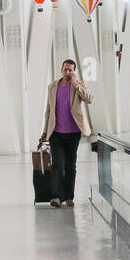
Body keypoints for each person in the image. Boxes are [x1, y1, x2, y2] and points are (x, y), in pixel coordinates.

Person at [41, 59, 91, 207]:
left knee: (70, 165)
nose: (67, 72)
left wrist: (77, 86)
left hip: (74, 133)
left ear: (74, 71)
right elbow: (48, 111)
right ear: (61, 69)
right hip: (56, 132)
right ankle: (56, 197)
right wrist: (45, 132)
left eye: (70, 70)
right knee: (57, 164)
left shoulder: (78, 85)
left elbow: (89, 99)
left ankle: (69, 196)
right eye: (65, 69)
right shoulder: (52, 86)